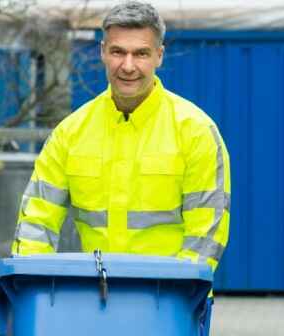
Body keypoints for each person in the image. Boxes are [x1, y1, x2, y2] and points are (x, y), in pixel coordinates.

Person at [12, 1, 230, 333]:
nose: (128, 65)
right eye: (118, 52)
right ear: (102, 51)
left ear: (160, 55)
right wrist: (37, 288)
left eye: (141, 53)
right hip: (90, 301)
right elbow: (35, 222)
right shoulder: (71, 132)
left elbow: (208, 230)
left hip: (170, 302)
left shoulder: (195, 131)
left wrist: (174, 292)